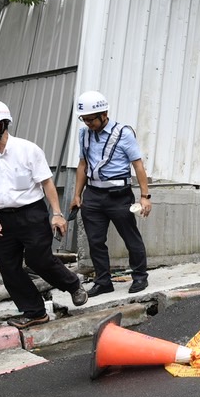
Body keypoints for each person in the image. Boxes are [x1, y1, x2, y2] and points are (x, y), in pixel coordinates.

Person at [0, 99, 87, 329]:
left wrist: (56, 213)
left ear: (2, 125)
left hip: (31, 213)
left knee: (38, 259)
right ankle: (34, 311)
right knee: (8, 265)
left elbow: (47, 183)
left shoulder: (27, 149)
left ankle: (72, 285)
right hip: (3, 217)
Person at [70, 90, 151, 296]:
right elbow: (82, 164)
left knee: (130, 236)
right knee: (96, 241)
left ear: (104, 114)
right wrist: (77, 194)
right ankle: (103, 281)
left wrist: (144, 196)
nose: (88, 123)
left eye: (91, 120)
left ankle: (140, 276)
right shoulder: (84, 134)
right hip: (93, 195)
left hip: (119, 195)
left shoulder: (123, 133)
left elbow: (138, 165)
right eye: (84, 120)